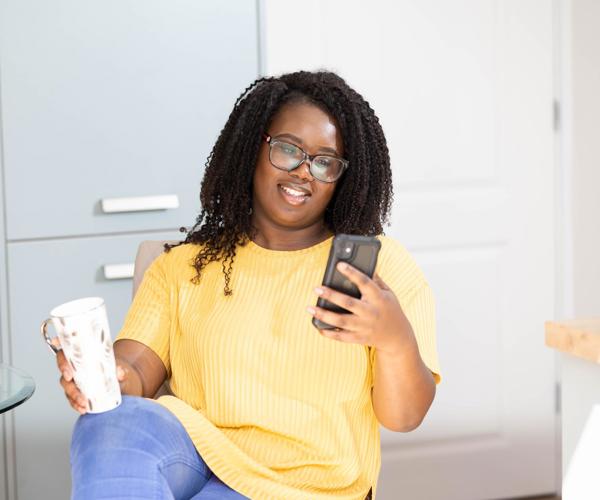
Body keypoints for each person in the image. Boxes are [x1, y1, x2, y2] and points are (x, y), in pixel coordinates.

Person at [56, 70, 441, 500]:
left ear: (341, 176)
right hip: (196, 453)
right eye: (288, 149)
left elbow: (404, 416)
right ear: (252, 147)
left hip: (312, 487)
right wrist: (108, 377)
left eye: (324, 161)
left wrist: (395, 339)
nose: (303, 173)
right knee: (108, 420)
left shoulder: (379, 268)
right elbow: (139, 368)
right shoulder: (183, 265)